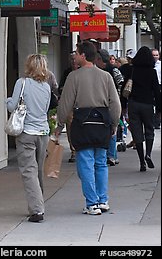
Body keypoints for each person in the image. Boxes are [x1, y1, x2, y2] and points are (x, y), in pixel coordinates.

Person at [55, 41, 121, 215]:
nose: (74, 56)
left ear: (83, 55)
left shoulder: (74, 77)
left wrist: (59, 125)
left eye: (76, 53)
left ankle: (91, 203)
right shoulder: (106, 76)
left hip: (83, 125)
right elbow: (115, 103)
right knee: (101, 163)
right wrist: (114, 124)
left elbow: (65, 104)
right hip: (102, 124)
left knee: (85, 164)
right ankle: (102, 199)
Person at [6, 54, 50, 223]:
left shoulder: (21, 83)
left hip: (27, 132)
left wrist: (8, 100)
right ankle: (38, 203)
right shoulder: (46, 87)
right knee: (37, 170)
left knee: (28, 171)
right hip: (42, 132)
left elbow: (13, 106)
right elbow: (45, 109)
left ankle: (37, 209)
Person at [123, 46, 161, 172]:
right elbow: (157, 91)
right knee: (149, 130)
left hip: (133, 104)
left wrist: (123, 106)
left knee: (137, 132)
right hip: (148, 104)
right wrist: (159, 109)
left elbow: (124, 88)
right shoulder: (152, 72)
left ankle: (141, 162)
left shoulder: (131, 70)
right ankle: (148, 154)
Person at [96, 48, 123, 166]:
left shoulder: (106, 71)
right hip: (111, 101)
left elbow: (120, 82)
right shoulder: (113, 70)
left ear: (100, 59)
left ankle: (111, 155)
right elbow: (121, 82)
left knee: (111, 128)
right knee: (111, 128)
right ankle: (112, 155)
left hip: (106, 103)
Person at [58, 52, 79, 162]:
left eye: (75, 59)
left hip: (81, 103)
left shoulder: (82, 71)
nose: (73, 61)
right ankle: (73, 150)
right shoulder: (67, 72)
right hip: (70, 104)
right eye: (71, 59)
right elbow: (60, 87)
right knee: (70, 126)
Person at [151, 48, 161, 129]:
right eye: (153, 55)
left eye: (156, 55)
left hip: (159, 85)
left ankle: (157, 121)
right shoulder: (148, 65)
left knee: (158, 105)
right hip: (151, 86)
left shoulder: (160, 65)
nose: (155, 57)